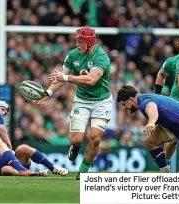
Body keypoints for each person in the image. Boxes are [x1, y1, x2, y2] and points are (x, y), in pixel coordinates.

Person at [34, 27, 112, 180]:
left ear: (89, 43)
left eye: (80, 41)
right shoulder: (72, 55)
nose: (76, 44)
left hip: (102, 102)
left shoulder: (101, 57)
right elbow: (60, 78)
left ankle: (83, 171)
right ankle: (75, 147)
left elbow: (91, 80)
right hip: (82, 100)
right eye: (76, 40)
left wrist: (66, 78)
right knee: (76, 139)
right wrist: (48, 93)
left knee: (95, 138)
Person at [117, 85, 179, 172]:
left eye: (124, 104)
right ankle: (164, 171)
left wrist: (151, 122)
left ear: (130, 99)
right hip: (174, 125)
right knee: (150, 141)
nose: (125, 108)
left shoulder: (144, 102)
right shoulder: (144, 98)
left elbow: (151, 108)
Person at [154, 30, 179, 166]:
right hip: (178, 104)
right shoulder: (173, 61)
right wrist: (157, 97)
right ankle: (167, 166)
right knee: (172, 140)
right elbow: (161, 74)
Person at [0, 144, 68, 176]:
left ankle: (53, 168)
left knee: (23, 148)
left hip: (18, 161)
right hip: (11, 170)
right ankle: (32, 173)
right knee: (4, 169)